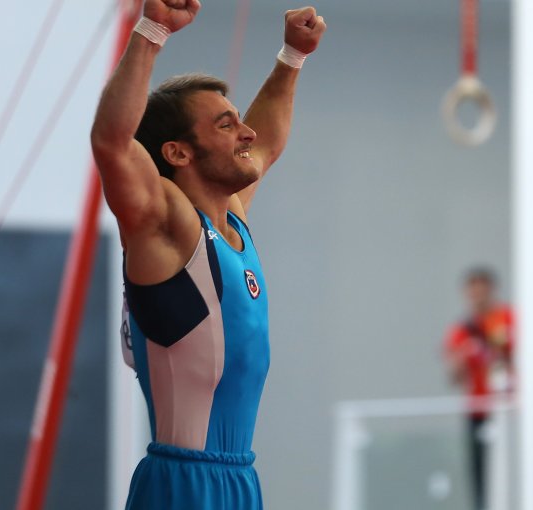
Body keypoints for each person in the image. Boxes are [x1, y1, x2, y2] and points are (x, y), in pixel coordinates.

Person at [90, 1, 326, 508]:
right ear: (177, 153)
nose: (247, 134)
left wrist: (292, 56)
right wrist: (152, 30)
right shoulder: (163, 223)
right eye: (225, 125)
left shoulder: (232, 219)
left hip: (242, 480)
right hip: (183, 483)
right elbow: (111, 144)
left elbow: (267, 144)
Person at [443, 267, 514, 510]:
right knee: (481, 476)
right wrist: (461, 357)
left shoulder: (507, 318)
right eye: (473, 292)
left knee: (513, 467)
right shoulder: (461, 331)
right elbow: (453, 376)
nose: (478, 297)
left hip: (510, 408)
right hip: (478, 411)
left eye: (483, 291)